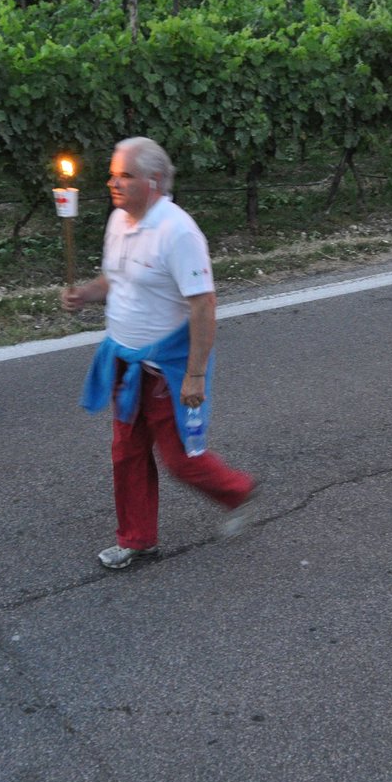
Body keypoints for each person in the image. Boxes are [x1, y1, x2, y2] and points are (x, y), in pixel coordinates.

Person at [65, 137, 255, 570]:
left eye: (124, 175)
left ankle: (239, 490)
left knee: (180, 461)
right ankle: (137, 539)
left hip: (165, 368)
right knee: (125, 451)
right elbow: (114, 280)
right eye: (113, 173)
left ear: (152, 182)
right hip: (124, 362)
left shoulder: (178, 231)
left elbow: (204, 304)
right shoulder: (119, 220)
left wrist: (194, 375)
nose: (113, 182)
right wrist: (85, 295)